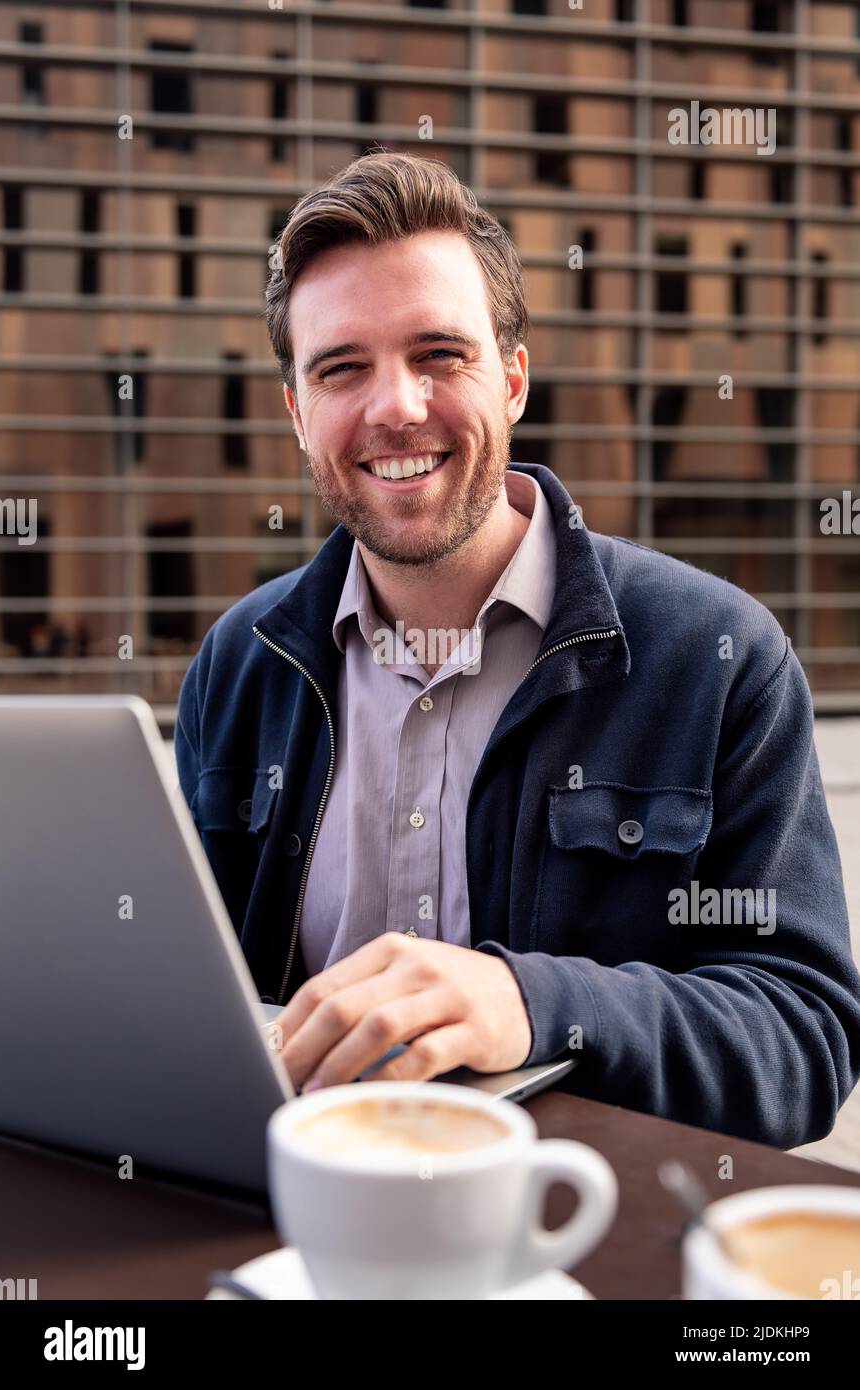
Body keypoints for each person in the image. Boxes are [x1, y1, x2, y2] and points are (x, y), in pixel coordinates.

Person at [175, 151, 860, 1148]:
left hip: (571, 1240)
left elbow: (800, 1040)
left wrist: (529, 1002)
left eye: (438, 355)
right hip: (294, 1229)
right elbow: (187, 993)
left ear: (513, 381)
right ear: (296, 412)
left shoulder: (718, 657)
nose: (394, 406)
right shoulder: (240, 663)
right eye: (341, 368)